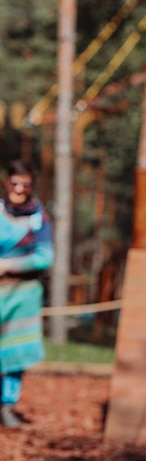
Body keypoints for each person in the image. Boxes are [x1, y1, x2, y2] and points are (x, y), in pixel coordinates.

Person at [0, 160, 54, 427]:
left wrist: (9, 264)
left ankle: (7, 405)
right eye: (14, 183)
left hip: (23, 295)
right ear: (6, 182)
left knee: (15, 353)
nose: (19, 189)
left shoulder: (38, 217)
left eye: (26, 184)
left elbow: (45, 257)